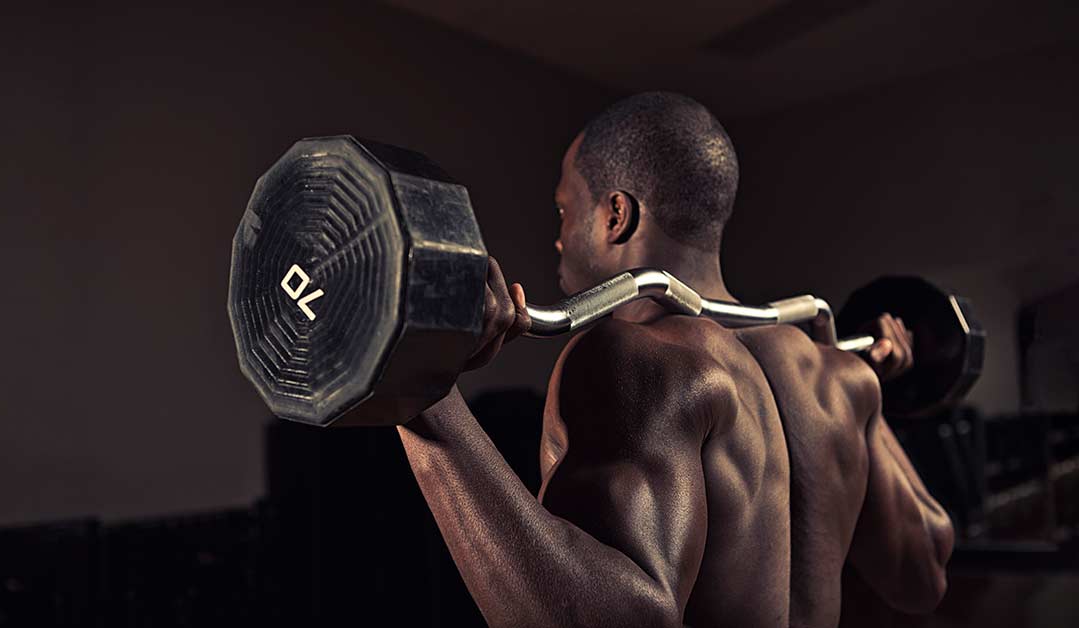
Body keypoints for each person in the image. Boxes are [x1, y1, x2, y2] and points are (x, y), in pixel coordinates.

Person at [396, 92, 954, 628]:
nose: (560, 238)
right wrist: (866, 392)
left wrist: (420, 390)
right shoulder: (836, 377)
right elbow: (924, 575)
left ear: (616, 215)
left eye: (566, 209)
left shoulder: (636, 358)